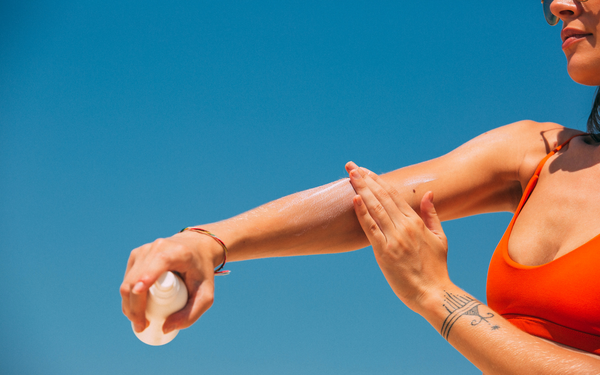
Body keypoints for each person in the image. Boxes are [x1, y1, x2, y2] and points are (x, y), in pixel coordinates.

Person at [121, 0, 600, 372]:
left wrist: (435, 295)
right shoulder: (538, 153)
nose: (559, 5)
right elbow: (370, 207)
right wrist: (208, 241)